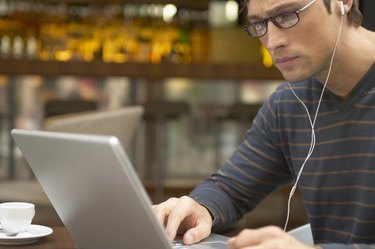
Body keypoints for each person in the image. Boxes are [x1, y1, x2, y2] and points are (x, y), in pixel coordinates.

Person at [152, 0, 375, 248]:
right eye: (259, 24)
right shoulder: (290, 103)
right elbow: (231, 188)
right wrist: (200, 208)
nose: (272, 42)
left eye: (288, 15)